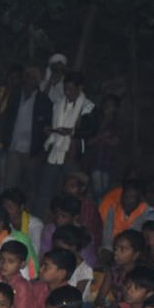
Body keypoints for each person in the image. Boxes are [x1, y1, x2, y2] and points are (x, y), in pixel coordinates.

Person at [36, 72, 95, 216]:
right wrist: (48, 129)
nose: (67, 92)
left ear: (80, 88)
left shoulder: (88, 107)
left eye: (71, 88)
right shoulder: (58, 103)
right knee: (46, 189)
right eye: (66, 88)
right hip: (55, 151)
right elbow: (47, 118)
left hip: (72, 153)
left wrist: (72, 132)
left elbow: (90, 130)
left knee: (72, 191)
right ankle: (44, 219)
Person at [3, 66, 53, 203]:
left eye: (33, 78)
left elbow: (48, 124)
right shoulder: (15, 95)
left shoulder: (44, 100)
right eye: (27, 76)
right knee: (10, 185)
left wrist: (41, 143)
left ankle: (28, 215)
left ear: (37, 81)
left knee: (30, 186)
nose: (29, 80)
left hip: (32, 150)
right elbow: (7, 118)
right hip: (14, 146)